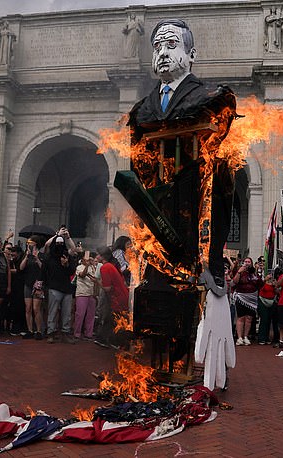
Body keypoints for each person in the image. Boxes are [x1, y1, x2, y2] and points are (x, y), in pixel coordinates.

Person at [128, 19, 236, 293]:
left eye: (172, 44)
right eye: (157, 46)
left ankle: (205, 270)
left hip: (192, 195)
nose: (163, 52)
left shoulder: (212, 97)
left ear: (191, 55)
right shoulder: (141, 109)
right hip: (159, 204)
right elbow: (137, 158)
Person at [43, 229, 77, 344]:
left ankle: (65, 333)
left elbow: (72, 269)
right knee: (52, 312)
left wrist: (66, 264)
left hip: (66, 288)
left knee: (66, 313)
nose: (59, 245)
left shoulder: (67, 255)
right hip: (53, 287)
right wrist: (57, 235)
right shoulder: (49, 257)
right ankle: (51, 333)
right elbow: (47, 245)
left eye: (61, 243)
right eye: (57, 243)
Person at [95, 246, 129, 348]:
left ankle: (115, 342)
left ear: (102, 257)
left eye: (98, 254)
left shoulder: (105, 267)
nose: (96, 256)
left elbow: (107, 288)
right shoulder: (110, 266)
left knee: (115, 320)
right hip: (121, 296)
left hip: (117, 298)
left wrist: (97, 282)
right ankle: (111, 341)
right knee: (114, 320)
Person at [231, 257, 263, 345]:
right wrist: (239, 272)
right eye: (245, 261)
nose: (247, 263)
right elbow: (234, 282)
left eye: (249, 262)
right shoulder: (239, 271)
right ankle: (239, 337)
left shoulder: (254, 273)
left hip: (252, 299)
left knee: (249, 318)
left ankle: (245, 336)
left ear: (251, 263)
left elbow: (260, 284)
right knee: (241, 317)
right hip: (241, 297)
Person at [19, 236, 45, 340]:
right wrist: (26, 256)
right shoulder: (27, 255)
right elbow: (21, 268)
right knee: (28, 308)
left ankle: (39, 330)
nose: (29, 244)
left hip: (38, 284)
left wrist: (37, 258)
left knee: (36, 308)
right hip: (28, 283)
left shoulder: (42, 255)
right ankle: (30, 330)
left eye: (31, 242)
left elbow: (43, 268)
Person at [74, 253, 99, 341]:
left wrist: (93, 266)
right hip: (82, 293)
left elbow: (97, 278)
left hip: (91, 293)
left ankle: (88, 333)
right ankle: (77, 333)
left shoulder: (93, 267)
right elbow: (82, 275)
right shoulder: (79, 267)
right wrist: (87, 266)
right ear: (83, 259)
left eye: (89, 259)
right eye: (86, 259)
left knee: (91, 315)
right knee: (80, 314)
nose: (88, 261)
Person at [257, 272, 278, 345]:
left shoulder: (273, 283)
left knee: (269, 320)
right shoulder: (263, 282)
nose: (270, 276)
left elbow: (277, 292)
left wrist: (275, 286)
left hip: (271, 301)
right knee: (264, 319)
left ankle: (266, 337)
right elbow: (259, 288)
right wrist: (264, 280)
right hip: (262, 301)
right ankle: (261, 338)